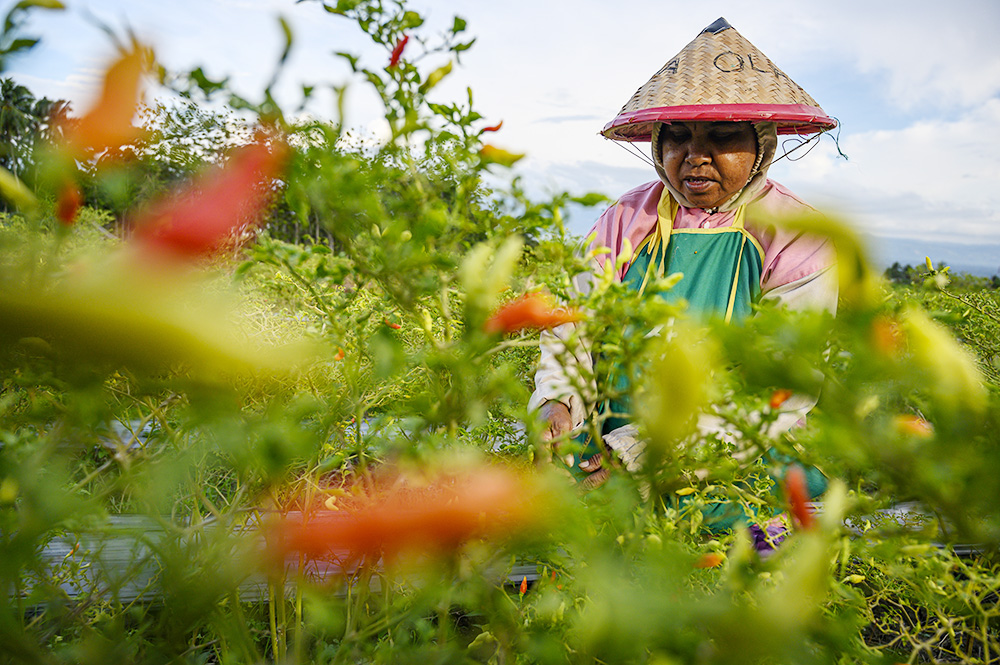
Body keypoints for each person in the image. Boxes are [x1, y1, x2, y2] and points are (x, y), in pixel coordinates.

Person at [529, 18, 837, 531]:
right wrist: (556, 404)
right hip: (612, 438)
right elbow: (571, 328)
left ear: (761, 144)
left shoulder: (793, 232)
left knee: (721, 517)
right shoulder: (627, 218)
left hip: (735, 446)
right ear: (657, 146)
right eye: (677, 138)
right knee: (560, 493)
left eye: (721, 136)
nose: (695, 156)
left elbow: (784, 383)